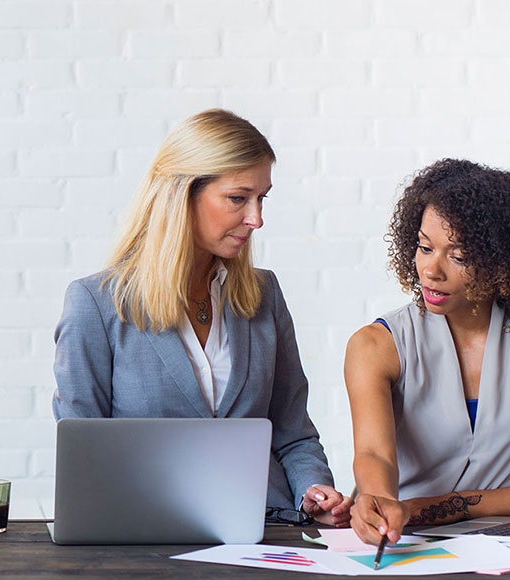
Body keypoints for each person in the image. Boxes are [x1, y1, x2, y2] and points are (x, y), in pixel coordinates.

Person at [52, 108, 351, 526]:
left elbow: (293, 431)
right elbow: (82, 457)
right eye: (238, 198)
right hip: (140, 537)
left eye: (261, 198)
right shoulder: (96, 305)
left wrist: (313, 490)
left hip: (266, 531)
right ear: (182, 193)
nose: (256, 218)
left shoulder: (264, 296)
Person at [344, 159, 510, 544]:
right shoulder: (376, 345)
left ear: (505, 261)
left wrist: (457, 504)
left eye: (458, 255)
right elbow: (373, 455)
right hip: (409, 542)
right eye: (424, 247)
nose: (431, 269)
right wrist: (378, 499)